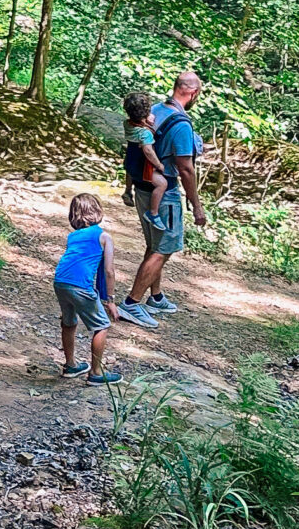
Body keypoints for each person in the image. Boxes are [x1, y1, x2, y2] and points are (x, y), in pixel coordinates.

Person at [122, 70, 207, 321]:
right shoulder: (181, 125)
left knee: (154, 245)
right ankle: (131, 303)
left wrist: (128, 188)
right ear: (194, 93)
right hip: (164, 193)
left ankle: (155, 296)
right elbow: (186, 169)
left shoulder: (155, 110)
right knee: (163, 249)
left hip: (142, 187)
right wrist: (196, 206)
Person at [53, 190, 121, 384]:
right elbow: (109, 271)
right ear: (98, 211)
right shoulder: (104, 237)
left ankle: (70, 365)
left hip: (60, 281)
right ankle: (96, 373)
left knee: (69, 322)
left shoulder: (73, 236)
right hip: (80, 286)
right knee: (102, 326)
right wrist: (110, 300)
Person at [121, 90, 165, 209]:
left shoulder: (127, 124)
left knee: (129, 172)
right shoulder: (145, 134)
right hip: (141, 167)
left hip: (130, 160)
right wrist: (159, 165)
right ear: (147, 112)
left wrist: (145, 120)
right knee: (162, 184)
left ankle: (128, 191)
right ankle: (154, 211)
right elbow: (148, 151)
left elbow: (136, 123)